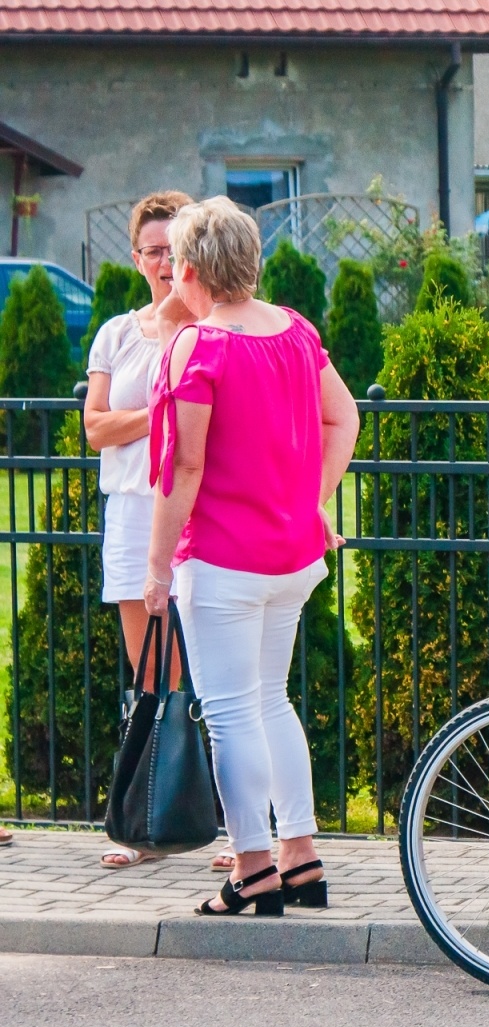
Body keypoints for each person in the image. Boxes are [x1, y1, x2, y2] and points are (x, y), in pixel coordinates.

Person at [144, 197, 359, 916]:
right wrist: (315, 499)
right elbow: (344, 416)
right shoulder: (294, 330)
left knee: (232, 713)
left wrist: (153, 568)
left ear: (192, 269)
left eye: (175, 260)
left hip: (224, 557)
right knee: (272, 700)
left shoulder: (197, 346)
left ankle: (253, 870)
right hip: (291, 553)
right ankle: (301, 859)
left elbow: (186, 467)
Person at [84, 190, 237, 873]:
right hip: (128, 511)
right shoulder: (117, 333)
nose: (162, 263)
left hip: (194, 510)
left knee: (213, 673)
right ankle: (150, 819)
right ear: (138, 257)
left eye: (172, 250)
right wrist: (163, 413)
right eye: (151, 251)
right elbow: (95, 427)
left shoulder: (209, 330)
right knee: (150, 673)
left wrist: (154, 416)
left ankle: (238, 828)